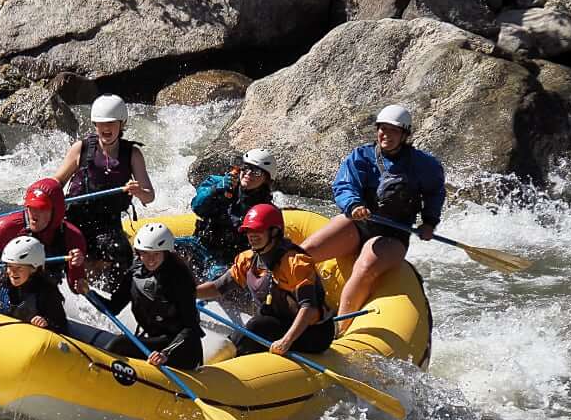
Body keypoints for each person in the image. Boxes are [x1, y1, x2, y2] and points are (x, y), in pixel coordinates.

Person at [301, 104, 445, 331]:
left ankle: (338, 331)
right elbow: (344, 185)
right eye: (382, 129)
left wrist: (429, 222)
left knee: (365, 267)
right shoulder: (362, 156)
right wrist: (354, 204)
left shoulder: (424, 164)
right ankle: (287, 307)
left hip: (394, 233)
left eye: (393, 131)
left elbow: (435, 192)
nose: (385, 135)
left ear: (405, 135)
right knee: (304, 253)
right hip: (359, 223)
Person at [196, 204, 334, 357]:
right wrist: (186, 293)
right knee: (258, 324)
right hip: (279, 323)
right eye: (249, 230)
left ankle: (228, 357)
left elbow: (309, 308)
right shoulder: (247, 260)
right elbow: (217, 287)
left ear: (274, 232)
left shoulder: (295, 263)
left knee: (258, 325)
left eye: (258, 230)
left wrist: (285, 341)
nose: (252, 235)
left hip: (313, 332)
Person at [50, 94, 155, 288]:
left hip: (107, 223)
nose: (106, 128)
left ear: (121, 124)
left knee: (120, 252)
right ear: (95, 125)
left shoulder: (133, 154)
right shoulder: (80, 149)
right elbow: (57, 182)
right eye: (101, 124)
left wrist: (139, 191)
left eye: (112, 123)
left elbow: (149, 196)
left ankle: (107, 293)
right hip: (75, 219)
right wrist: (43, 196)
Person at [100, 222, 203, 370]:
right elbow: (113, 307)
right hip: (155, 341)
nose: (150, 259)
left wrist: (165, 353)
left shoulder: (180, 279)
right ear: (138, 252)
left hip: (180, 348)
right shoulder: (135, 273)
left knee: (119, 344)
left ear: (165, 253)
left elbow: (191, 327)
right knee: (117, 344)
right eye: (145, 254)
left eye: (156, 254)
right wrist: (87, 292)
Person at [188, 148, 277, 272]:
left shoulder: (266, 209)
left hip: (230, 259)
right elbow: (196, 206)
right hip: (201, 245)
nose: (248, 173)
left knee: (216, 273)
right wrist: (214, 190)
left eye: (256, 171)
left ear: (266, 180)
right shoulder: (218, 182)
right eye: (246, 167)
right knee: (164, 250)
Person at [0, 235, 68, 332]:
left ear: (34, 269)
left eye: (19, 268)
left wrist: (46, 323)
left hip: (25, 338)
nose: (12, 272)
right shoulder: (2, 276)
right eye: (10, 266)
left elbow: (61, 326)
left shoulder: (47, 290)